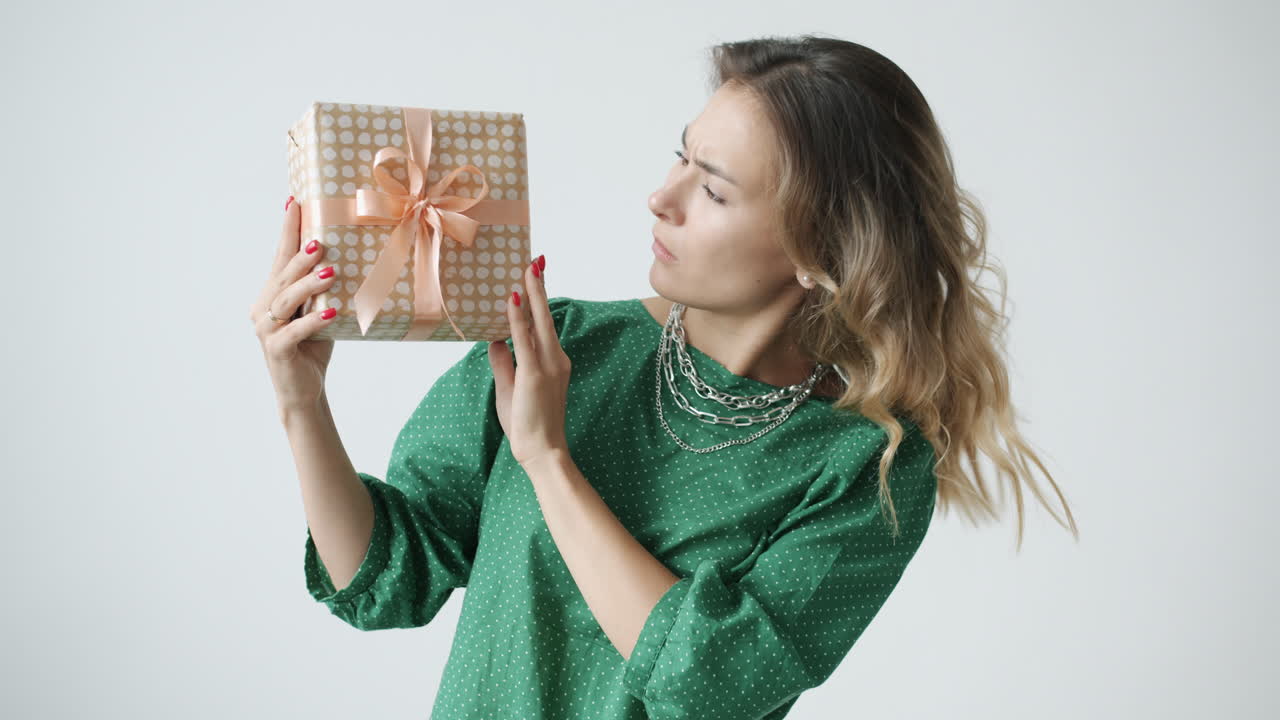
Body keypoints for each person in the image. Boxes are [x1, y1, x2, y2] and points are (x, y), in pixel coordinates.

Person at [251, 33, 1078, 720]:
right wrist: (301, 403)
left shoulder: (866, 468)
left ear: (824, 251)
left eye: (712, 191)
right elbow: (384, 579)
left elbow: (713, 682)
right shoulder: (560, 344)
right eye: (678, 158)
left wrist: (548, 460)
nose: (661, 197)